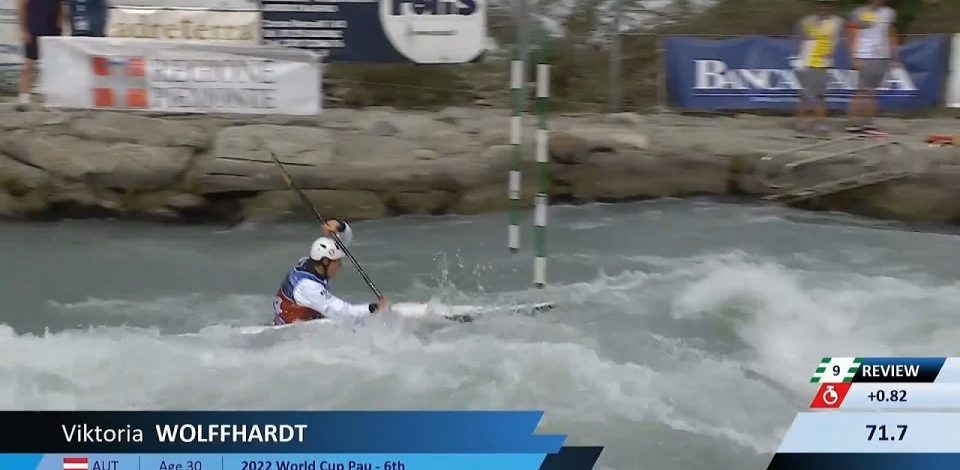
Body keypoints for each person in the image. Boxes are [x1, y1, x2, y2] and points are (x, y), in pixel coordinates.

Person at [273, 219, 390, 325]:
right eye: (337, 262)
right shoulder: (308, 287)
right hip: (291, 335)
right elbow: (342, 312)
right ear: (325, 261)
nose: (340, 265)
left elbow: (342, 246)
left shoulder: (310, 263)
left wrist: (340, 227)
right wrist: (375, 308)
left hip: (302, 322)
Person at [845, 0, 899, 136]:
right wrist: (854, 57)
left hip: (882, 55)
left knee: (873, 92)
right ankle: (852, 123)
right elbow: (851, 35)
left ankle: (868, 123)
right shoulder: (858, 13)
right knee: (861, 91)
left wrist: (893, 55)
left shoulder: (889, 13)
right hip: (864, 54)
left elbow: (890, 33)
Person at [794, 0, 844, 136]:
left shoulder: (837, 22)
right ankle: (801, 121)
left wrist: (830, 52)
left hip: (824, 62)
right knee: (805, 93)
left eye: (828, 6)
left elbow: (836, 40)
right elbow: (800, 39)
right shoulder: (807, 21)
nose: (825, 9)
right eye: (822, 6)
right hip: (807, 61)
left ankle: (820, 122)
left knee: (820, 94)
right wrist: (800, 57)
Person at [16, 0, 64, 111]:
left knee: (53, 68)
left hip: (52, 32)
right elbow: (21, 8)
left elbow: (60, 7)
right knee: (28, 66)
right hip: (33, 31)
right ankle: (24, 98)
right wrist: (23, 30)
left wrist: (60, 27)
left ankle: (51, 98)